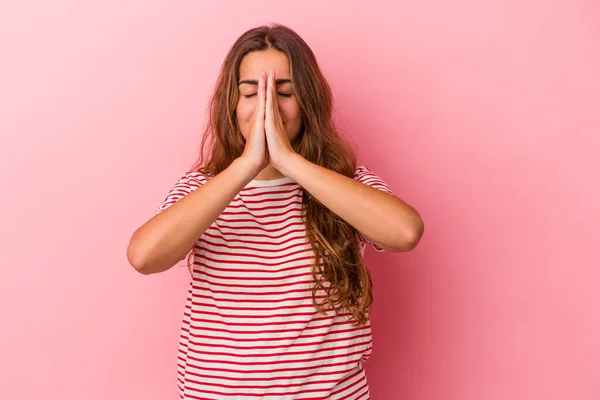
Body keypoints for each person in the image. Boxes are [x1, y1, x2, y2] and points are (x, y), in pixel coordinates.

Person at [127, 23, 424, 400]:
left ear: (308, 104)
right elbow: (143, 256)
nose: (267, 107)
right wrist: (246, 166)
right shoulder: (201, 189)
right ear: (231, 105)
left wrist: (288, 160)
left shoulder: (346, 184)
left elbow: (405, 233)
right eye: (251, 93)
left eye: (283, 92)